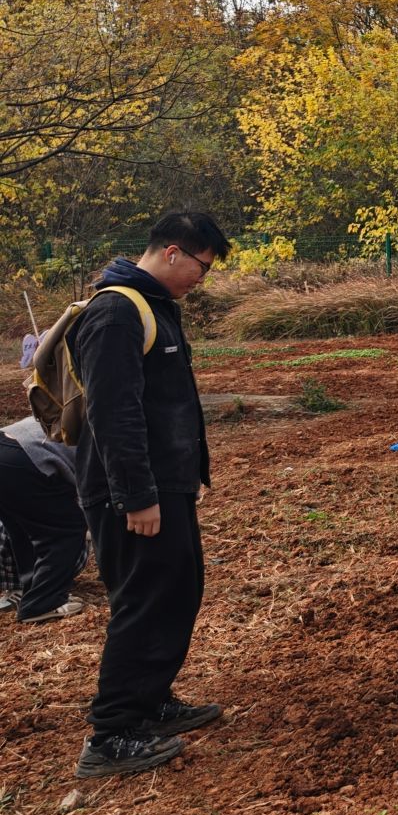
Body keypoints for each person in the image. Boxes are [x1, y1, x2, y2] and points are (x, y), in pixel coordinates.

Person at [70, 210, 230, 779]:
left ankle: (151, 702)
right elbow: (114, 414)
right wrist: (136, 496)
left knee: (176, 591)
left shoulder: (154, 307)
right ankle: (111, 734)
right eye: (201, 267)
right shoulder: (116, 313)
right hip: (132, 492)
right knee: (143, 600)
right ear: (171, 252)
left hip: (166, 484)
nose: (201, 279)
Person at [0, 416, 85, 622]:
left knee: (22, 531)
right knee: (67, 530)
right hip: (25, 455)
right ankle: (43, 603)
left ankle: (32, 592)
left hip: (9, 444)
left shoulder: (93, 411)